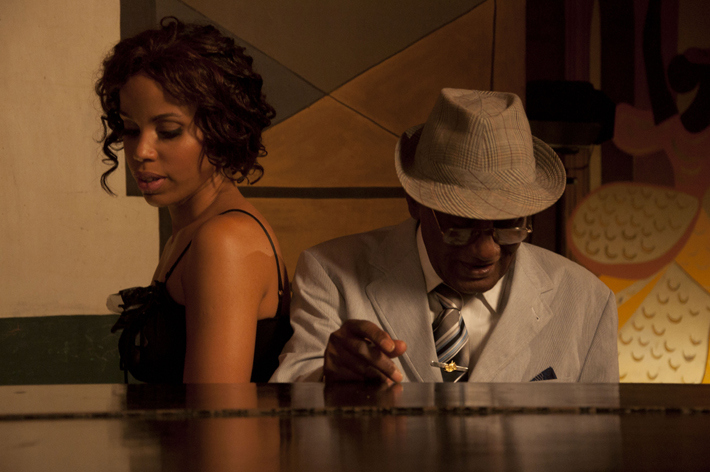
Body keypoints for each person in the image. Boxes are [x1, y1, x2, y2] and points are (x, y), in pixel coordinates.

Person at [271, 89, 619, 383]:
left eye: (507, 225)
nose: (486, 250)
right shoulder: (330, 273)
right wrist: (325, 380)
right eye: (461, 225)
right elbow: (288, 406)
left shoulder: (587, 302)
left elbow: (601, 438)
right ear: (414, 202)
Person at [97, 17, 292, 383]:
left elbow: (212, 413)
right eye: (131, 128)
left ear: (222, 130)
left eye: (168, 131)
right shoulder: (190, 231)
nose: (140, 151)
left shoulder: (224, 241)